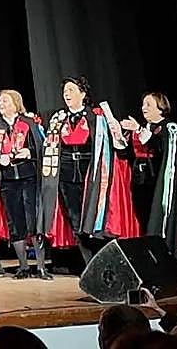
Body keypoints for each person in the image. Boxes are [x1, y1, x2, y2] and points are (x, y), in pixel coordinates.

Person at [40, 76, 136, 266]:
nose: (66, 94)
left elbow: (117, 146)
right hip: (67, 174)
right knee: (75, 220)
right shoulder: (58, 118)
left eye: (71, 90)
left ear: (83, 94)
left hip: (91, 174)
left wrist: (117, 132)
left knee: (94, 218)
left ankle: (106, 262)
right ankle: (89, 264)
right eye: (65, 91)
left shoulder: (96, 116)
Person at [120, 92, 177, 279]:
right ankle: (158, 263)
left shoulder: (169, 127)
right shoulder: (143, 128)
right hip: (141, 182)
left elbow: (163, 149)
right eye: (143, 104)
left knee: (170, 220)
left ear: (160, 107)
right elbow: (127, 154)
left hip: (163, 185)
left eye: (148, 104)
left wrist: (140, 130)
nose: (144, 108)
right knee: (147, 223)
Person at [0, 89, 50, 280]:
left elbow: (41, 148)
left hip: (28, 176)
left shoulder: (29, 122)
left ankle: (40, 267)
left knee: (33, 220)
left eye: (6, 101)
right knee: (15, 222)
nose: (2, 104)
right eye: (0, 101)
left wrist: (29, 153)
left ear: (16, 103)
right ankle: (23, 267)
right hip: (7, 179)